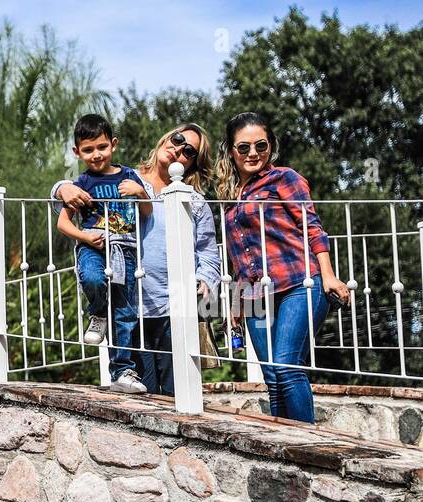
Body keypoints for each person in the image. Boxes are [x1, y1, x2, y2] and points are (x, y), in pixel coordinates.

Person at [54, 124, 221, 397]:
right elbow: (86, 181)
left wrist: (204, 283)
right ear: (165, 138)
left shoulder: (195, 201)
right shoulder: (126, 179)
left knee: (177, 391)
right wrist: (61, 187)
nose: (179, 148)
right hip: (130, 302)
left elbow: (208, 252)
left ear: (193, 165)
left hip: (174, 306)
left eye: (189, 151)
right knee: (141, 391)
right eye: (177, 139)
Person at [216, 111, 349, 423]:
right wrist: (236, 304)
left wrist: (327, 275)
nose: (253, 153)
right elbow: (239, 257)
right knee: (273, 380)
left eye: (260, 146)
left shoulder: (284, 179)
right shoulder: (230, 194)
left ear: (270, 146)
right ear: (232, 151)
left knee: (287, 367)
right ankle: (284, 451)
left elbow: (312, 227)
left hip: (297, 284)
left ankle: (308, 446)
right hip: (253, 296)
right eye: (244, 147)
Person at [55, 114, 152, 394]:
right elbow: (62, 223)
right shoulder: (81, 183)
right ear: (77, 152)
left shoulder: (129, 176)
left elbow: (147, 213)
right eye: (88, 150)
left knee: (124, 313)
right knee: (93, 280)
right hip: (93, 247)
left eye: (101, 147)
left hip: (125, 251)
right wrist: (86, 237)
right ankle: (97, 313)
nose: (96, 155)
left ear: (113, 144)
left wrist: (141, 194)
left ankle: (122, 371)